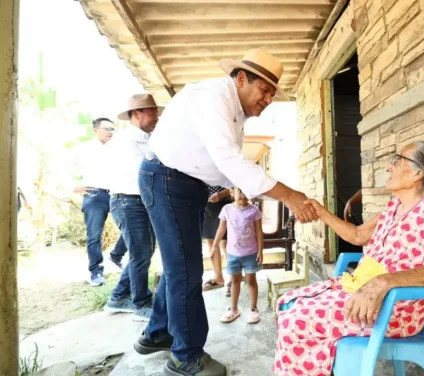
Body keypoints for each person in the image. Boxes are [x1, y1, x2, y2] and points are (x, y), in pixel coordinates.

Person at [132, 49, 316, 376]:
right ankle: (186, 357)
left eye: (273, 94)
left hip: (186, 185)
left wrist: (243, 189)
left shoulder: (237, 113)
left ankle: (158, 332)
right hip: (166, 180)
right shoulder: (211, 96)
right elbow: (228, 160)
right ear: (241, 79)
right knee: (185, 269)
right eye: (265, 90)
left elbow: (227, 168)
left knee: (180, 265)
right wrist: (289, 195)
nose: (268, 99)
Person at [273, 141, 424, 375]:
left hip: (396, 307)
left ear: (418, 173)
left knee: (295, 319)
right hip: (369, 293)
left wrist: (384, 282)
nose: (389, 166)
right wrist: (321, 212)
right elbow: (358, 235)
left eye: (398, 160)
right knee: (287, 302)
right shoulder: (395, 205)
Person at [103, 94, 161, 321]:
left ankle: (117, 298)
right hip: (128, 201)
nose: (156, 117)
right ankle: (141, 304)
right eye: (151, 112)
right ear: (136, 115)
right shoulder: (124, 141)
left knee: (143, 253)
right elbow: (147, 168)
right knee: (141, 253)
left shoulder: (149, 139)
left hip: (142, 202)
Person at [73, 118, 128, 286]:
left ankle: (116, 255)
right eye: (106, 128)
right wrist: (74, 185)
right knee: (94, 236)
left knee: (133, 226)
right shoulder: (84, 149)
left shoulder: (120, 148)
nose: (110, 131)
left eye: (113, 128)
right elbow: (67, 168)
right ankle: (96, 272)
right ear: (95, 130)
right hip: (94, 195)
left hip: (117, 194)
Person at [212, 187, 263, 324]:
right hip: (233, 254)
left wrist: (260, 250)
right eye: (239, 191)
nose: (243, 194)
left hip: (251, 253)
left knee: (251, 280)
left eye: (246, 191)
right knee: (235, 281)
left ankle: (253, 309)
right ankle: (234, 309)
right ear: (231, 192)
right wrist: (215, 245)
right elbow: (221, 228)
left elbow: (259, 231)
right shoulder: (226, 209)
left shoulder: (254, 211)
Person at [201, 186, 232, 296]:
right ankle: (219, 278)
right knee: (211, 240)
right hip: (205, 204)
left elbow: (236, 185)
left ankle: (233, 278)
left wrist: (220, 195)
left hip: (225, 203)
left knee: (226, 241)